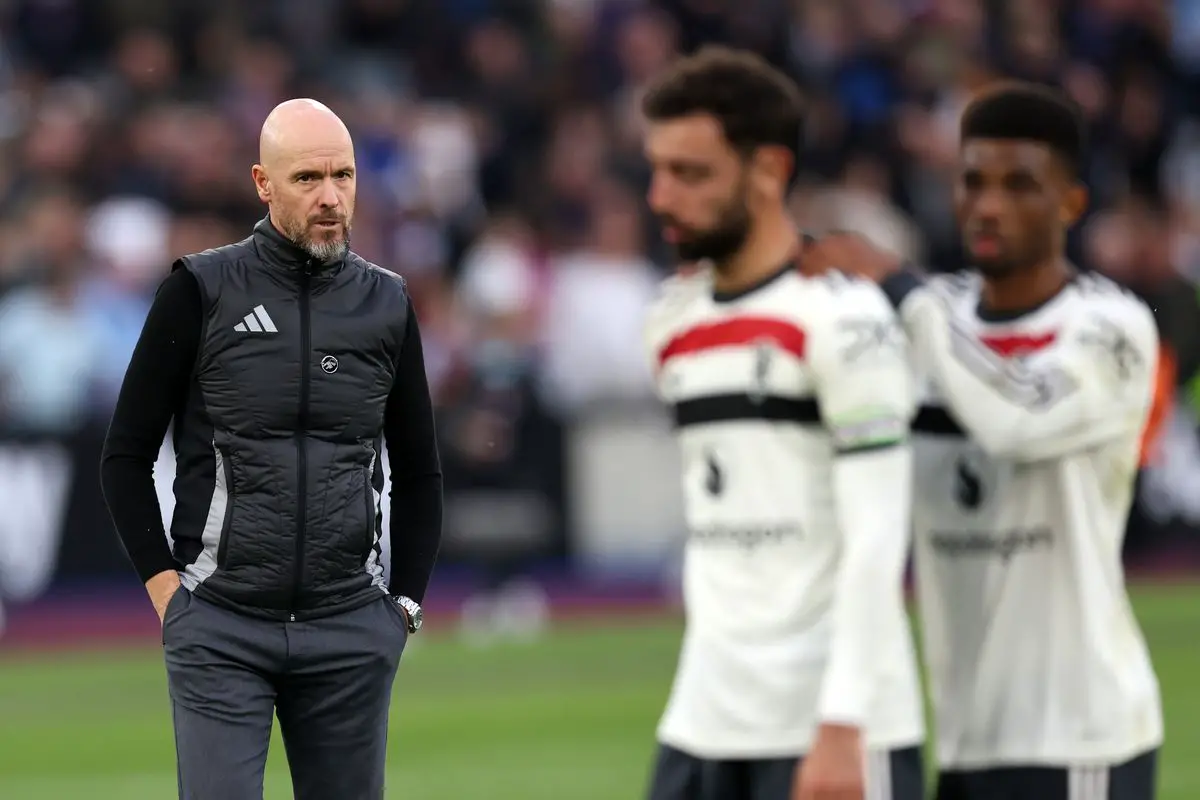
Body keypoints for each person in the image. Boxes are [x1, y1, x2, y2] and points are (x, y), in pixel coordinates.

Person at [802, 82, 1163, 800]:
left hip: (1079, 736)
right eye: (973, 182)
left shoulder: (1109, 329)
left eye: (1019, 185)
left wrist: (904, 295)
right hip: (964, 735)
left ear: (1071, 204)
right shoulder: (931, 316)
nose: (988, 205)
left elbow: (1016, 421)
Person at [99, 98, 443, 799]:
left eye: (343, 175)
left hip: (350, 629)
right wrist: (170, 598)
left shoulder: (387, 303)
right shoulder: (200, 289)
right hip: (221, 626)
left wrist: (403, 607)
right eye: (307, 178)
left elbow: (419, 470)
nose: (330, 197)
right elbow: (124, 456)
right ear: (263, 183)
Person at [639, 46, 926, 800]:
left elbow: (877, 538)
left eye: (691, 173)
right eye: (657, 170)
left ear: (768, 171)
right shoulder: (670, 320)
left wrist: (844, 724)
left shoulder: (846, 319)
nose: (661, 197)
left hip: (830, 729)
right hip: (702, 720)